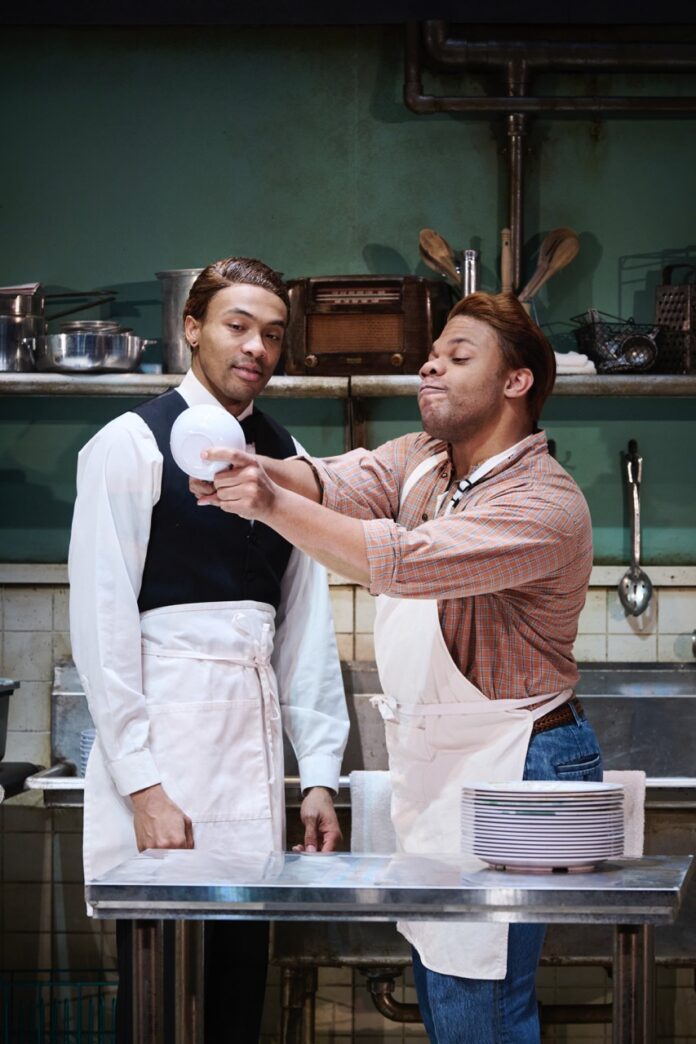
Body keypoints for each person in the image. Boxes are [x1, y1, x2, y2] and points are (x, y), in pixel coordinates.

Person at [192, 291, 602, 1044]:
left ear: (517, 383)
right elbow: (339, 481)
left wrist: (266, 506)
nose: (430, 364)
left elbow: (403, 563)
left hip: (520, 765)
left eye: (457, 355)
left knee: (481, 1001)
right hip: (448, 764)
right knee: (451, 991)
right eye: (433, 352)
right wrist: (253, 470)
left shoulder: (544, 503)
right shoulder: (425, 462)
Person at [68, 256, 349, 1043]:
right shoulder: (130, 444)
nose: (255, 346)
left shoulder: (284, 457)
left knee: (235, 989)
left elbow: (301, 623)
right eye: (236, 325)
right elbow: (102, 623)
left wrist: (319, 775)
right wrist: (144, 784)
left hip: (249, 762)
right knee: (159, 992)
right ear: (192, 329)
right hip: (167, 760)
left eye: (272, 333)